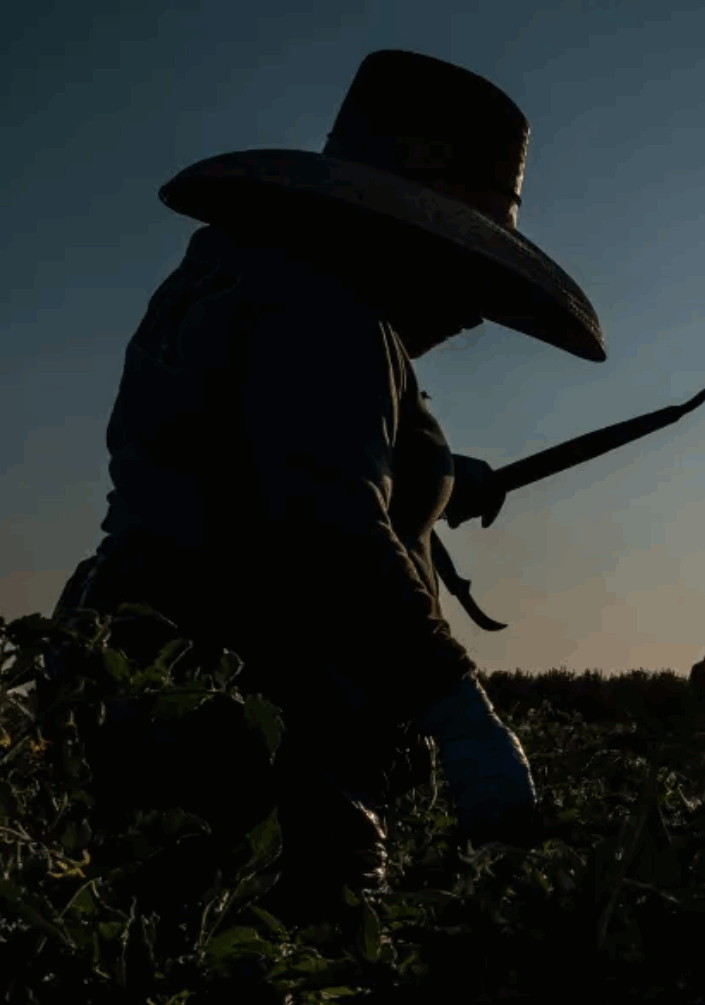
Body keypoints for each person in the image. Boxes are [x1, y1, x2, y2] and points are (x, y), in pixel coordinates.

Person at [49, 49, 606, 920]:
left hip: (143, 670)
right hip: (250, 716)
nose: (468, 314)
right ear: (403, 228)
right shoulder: (323, 310)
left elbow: (252, 452)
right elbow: (327, 525)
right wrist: (460, 712)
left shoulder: (241, 273)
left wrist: (440, 480)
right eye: (463, 267)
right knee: (297, 982)